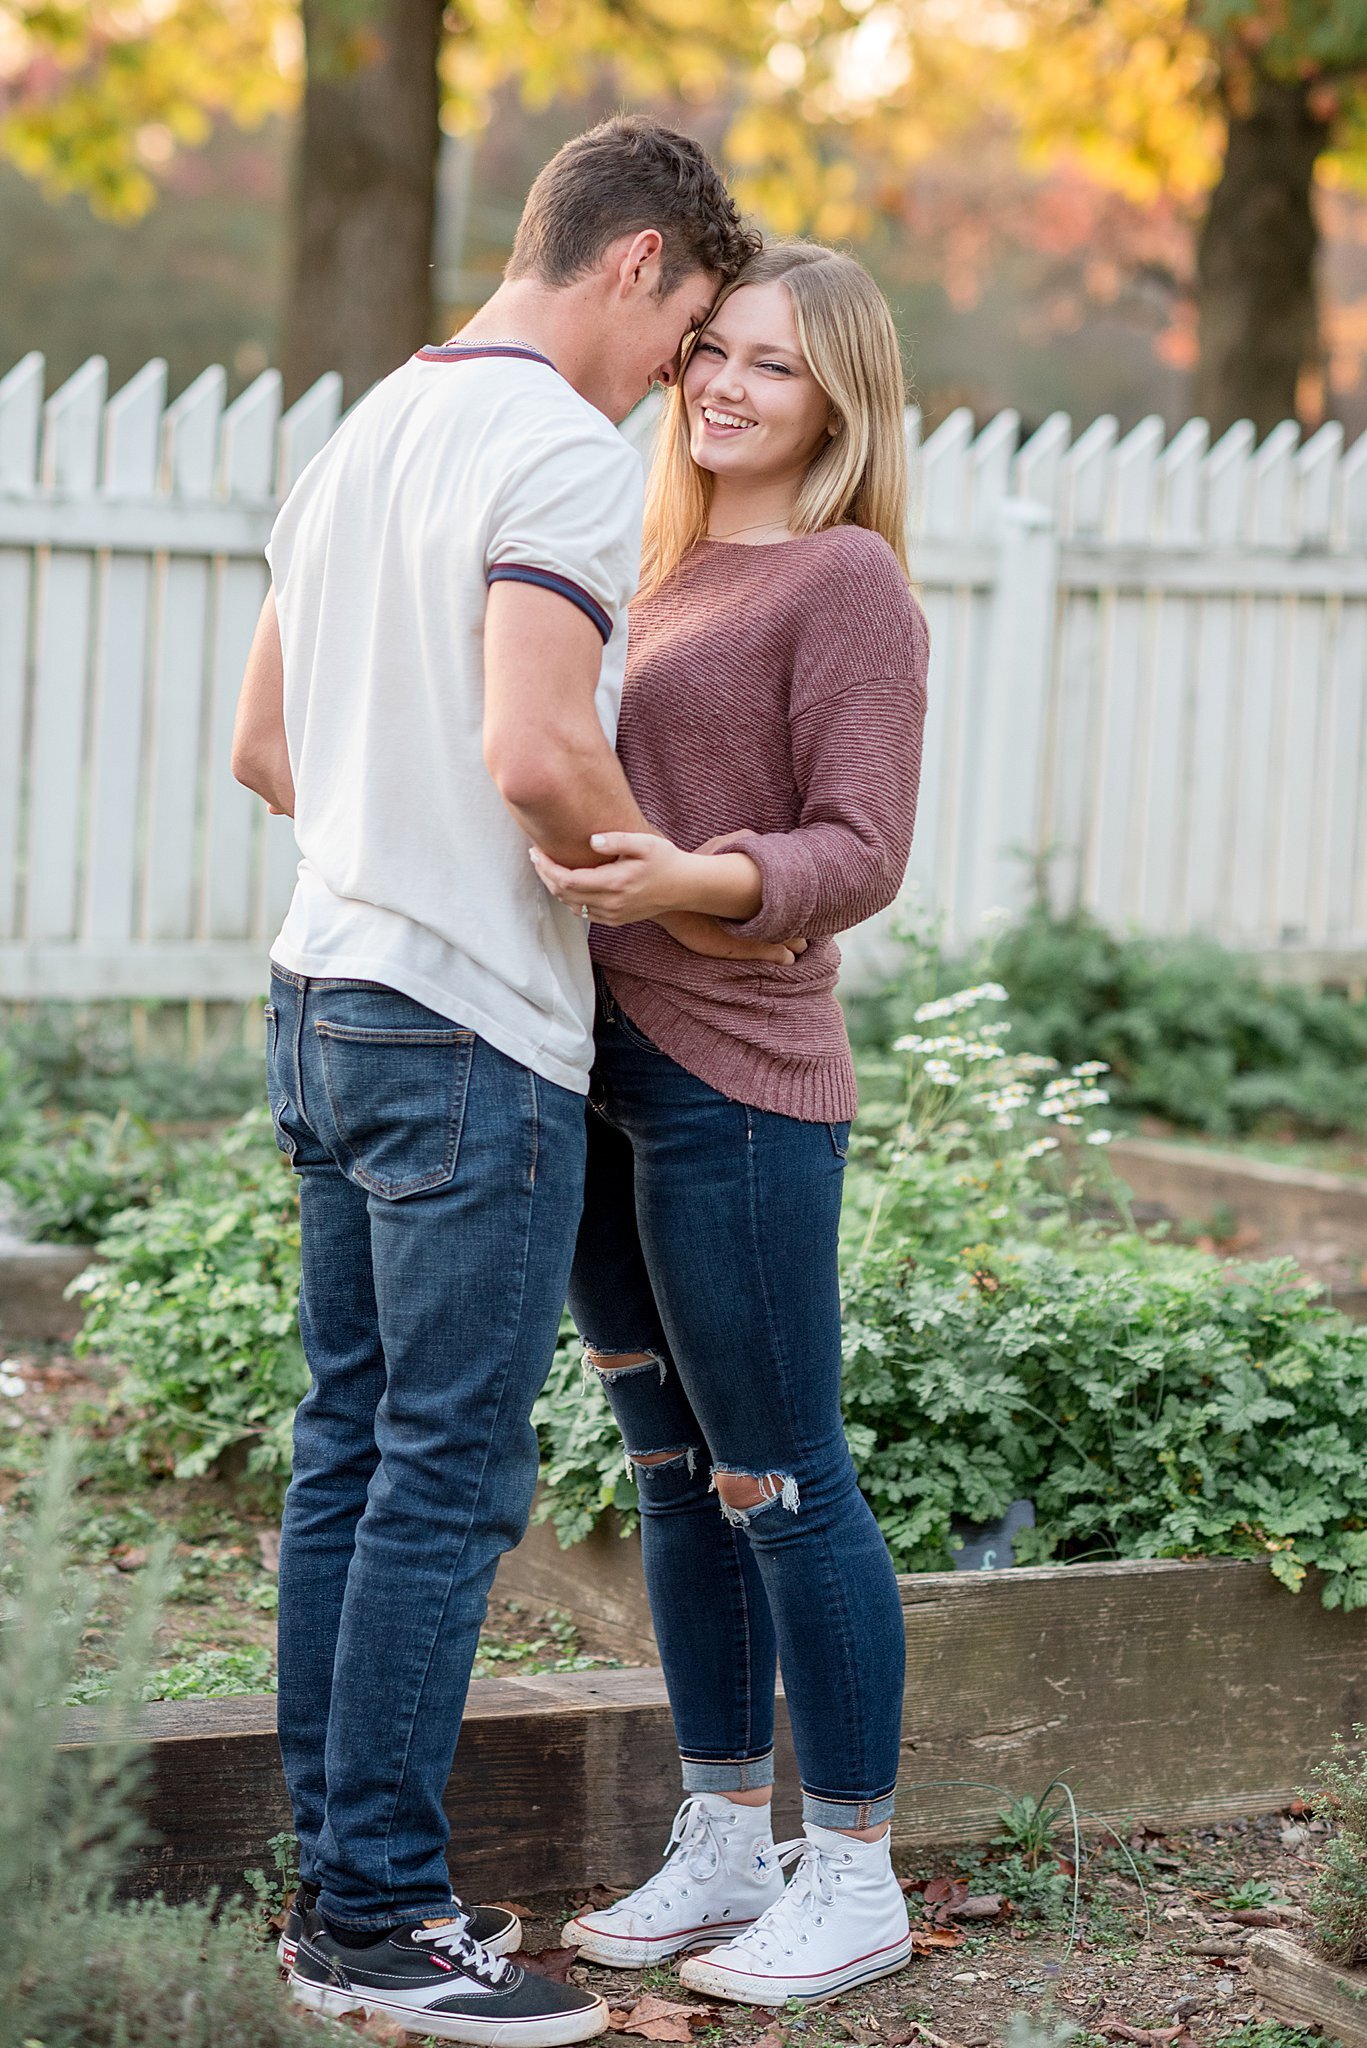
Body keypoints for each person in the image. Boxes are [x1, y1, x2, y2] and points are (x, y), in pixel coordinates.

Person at [230, 116, 773, 2046]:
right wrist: (692, 907)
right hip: (467, 1034)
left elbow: (265, 743)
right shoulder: (556, 440)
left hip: (323, 993)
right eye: (689, 326)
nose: (684, 377)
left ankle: (330, 1907)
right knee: (443, 1482)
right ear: (636, 263)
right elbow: (543, 750)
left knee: (351, 1456)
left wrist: (404, 833)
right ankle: (381, 1923)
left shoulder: (367, 427)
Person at [529, 243, 930, 2007]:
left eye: (772, 364)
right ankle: (722, 1834)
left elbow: (864, 845)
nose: (725, 385)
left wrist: (702, 877)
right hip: (601, 1064)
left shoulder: (847, 583)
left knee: (785, 1477)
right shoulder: (663, 563)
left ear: (838, 399)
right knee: (674, 1475)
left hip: (740, 1082)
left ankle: (851, 1865)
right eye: (711, 352)